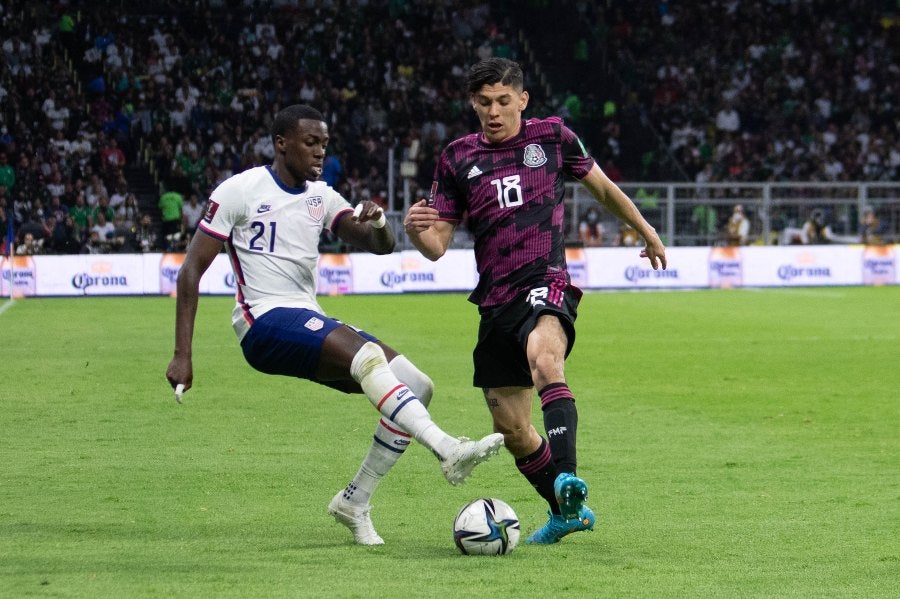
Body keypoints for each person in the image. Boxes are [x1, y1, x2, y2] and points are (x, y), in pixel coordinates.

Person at [165, 104, 503, 546]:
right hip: (262, 322)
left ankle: (354, 501)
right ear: (281, 143)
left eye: (324, 143)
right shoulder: (239, 191)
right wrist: (182, 354)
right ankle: (447, 449)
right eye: (310, 142)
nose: (320, 152)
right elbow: (191, 270)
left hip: (306, 316)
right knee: (367, 358)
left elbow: (376, 245)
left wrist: (380, 222)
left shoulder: (321, 197)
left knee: (416, 385)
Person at [404, 58, 667, 545]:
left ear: (522, 99)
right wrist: (415, 231)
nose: (494, 111)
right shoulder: (457, 157)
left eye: (504, 101)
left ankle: (567, 474)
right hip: (495, 301)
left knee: (545, 358)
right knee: (512, 429)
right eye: (484, 103)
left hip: (546, 280)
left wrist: (647, 231)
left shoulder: (553, 137)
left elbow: (604, 189)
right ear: (473, 104)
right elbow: (437, 246)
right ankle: (566, 511)